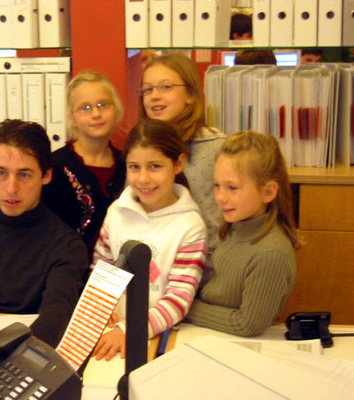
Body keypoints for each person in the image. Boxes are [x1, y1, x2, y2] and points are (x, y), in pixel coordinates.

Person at [92, 118, 207, 361]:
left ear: (178, 164)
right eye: (134, 167)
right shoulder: (116, 212)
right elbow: (100, 270)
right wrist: (101, 307)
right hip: (111, 331)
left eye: (155, 166)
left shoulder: (190, 227)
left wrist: (129, 330)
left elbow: (177, 300)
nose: (143, 179)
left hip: (157, 339)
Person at [0, 119, 89, 347]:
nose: (11, 188)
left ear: (46, 176)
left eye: (24, 175)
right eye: (1, 173)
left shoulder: (66, 246)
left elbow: (57, 315)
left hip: (19, 352)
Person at [186, 131, 298, 336]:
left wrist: (185, 308)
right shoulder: (233, 227)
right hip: (209, 332)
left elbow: (247, 325)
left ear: (268, 192)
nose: (220, 197)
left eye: (232, 188)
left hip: (235, 340)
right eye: (217, 185)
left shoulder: (270, 254)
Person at [139, 53, 225, 284]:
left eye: (165, 87)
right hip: (156, 278)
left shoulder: (217, 148)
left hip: (209, 277)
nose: (154, 96)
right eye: (147, 90)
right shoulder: (141, 148)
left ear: (190, 94)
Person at [42, 70, 126, 260]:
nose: (96, 114)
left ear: (116, 109)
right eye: (85, 108)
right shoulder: (54, 168)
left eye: (103, 105)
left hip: (122, 274)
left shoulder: (130, 165)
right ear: (72, 118)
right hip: (70, 274)